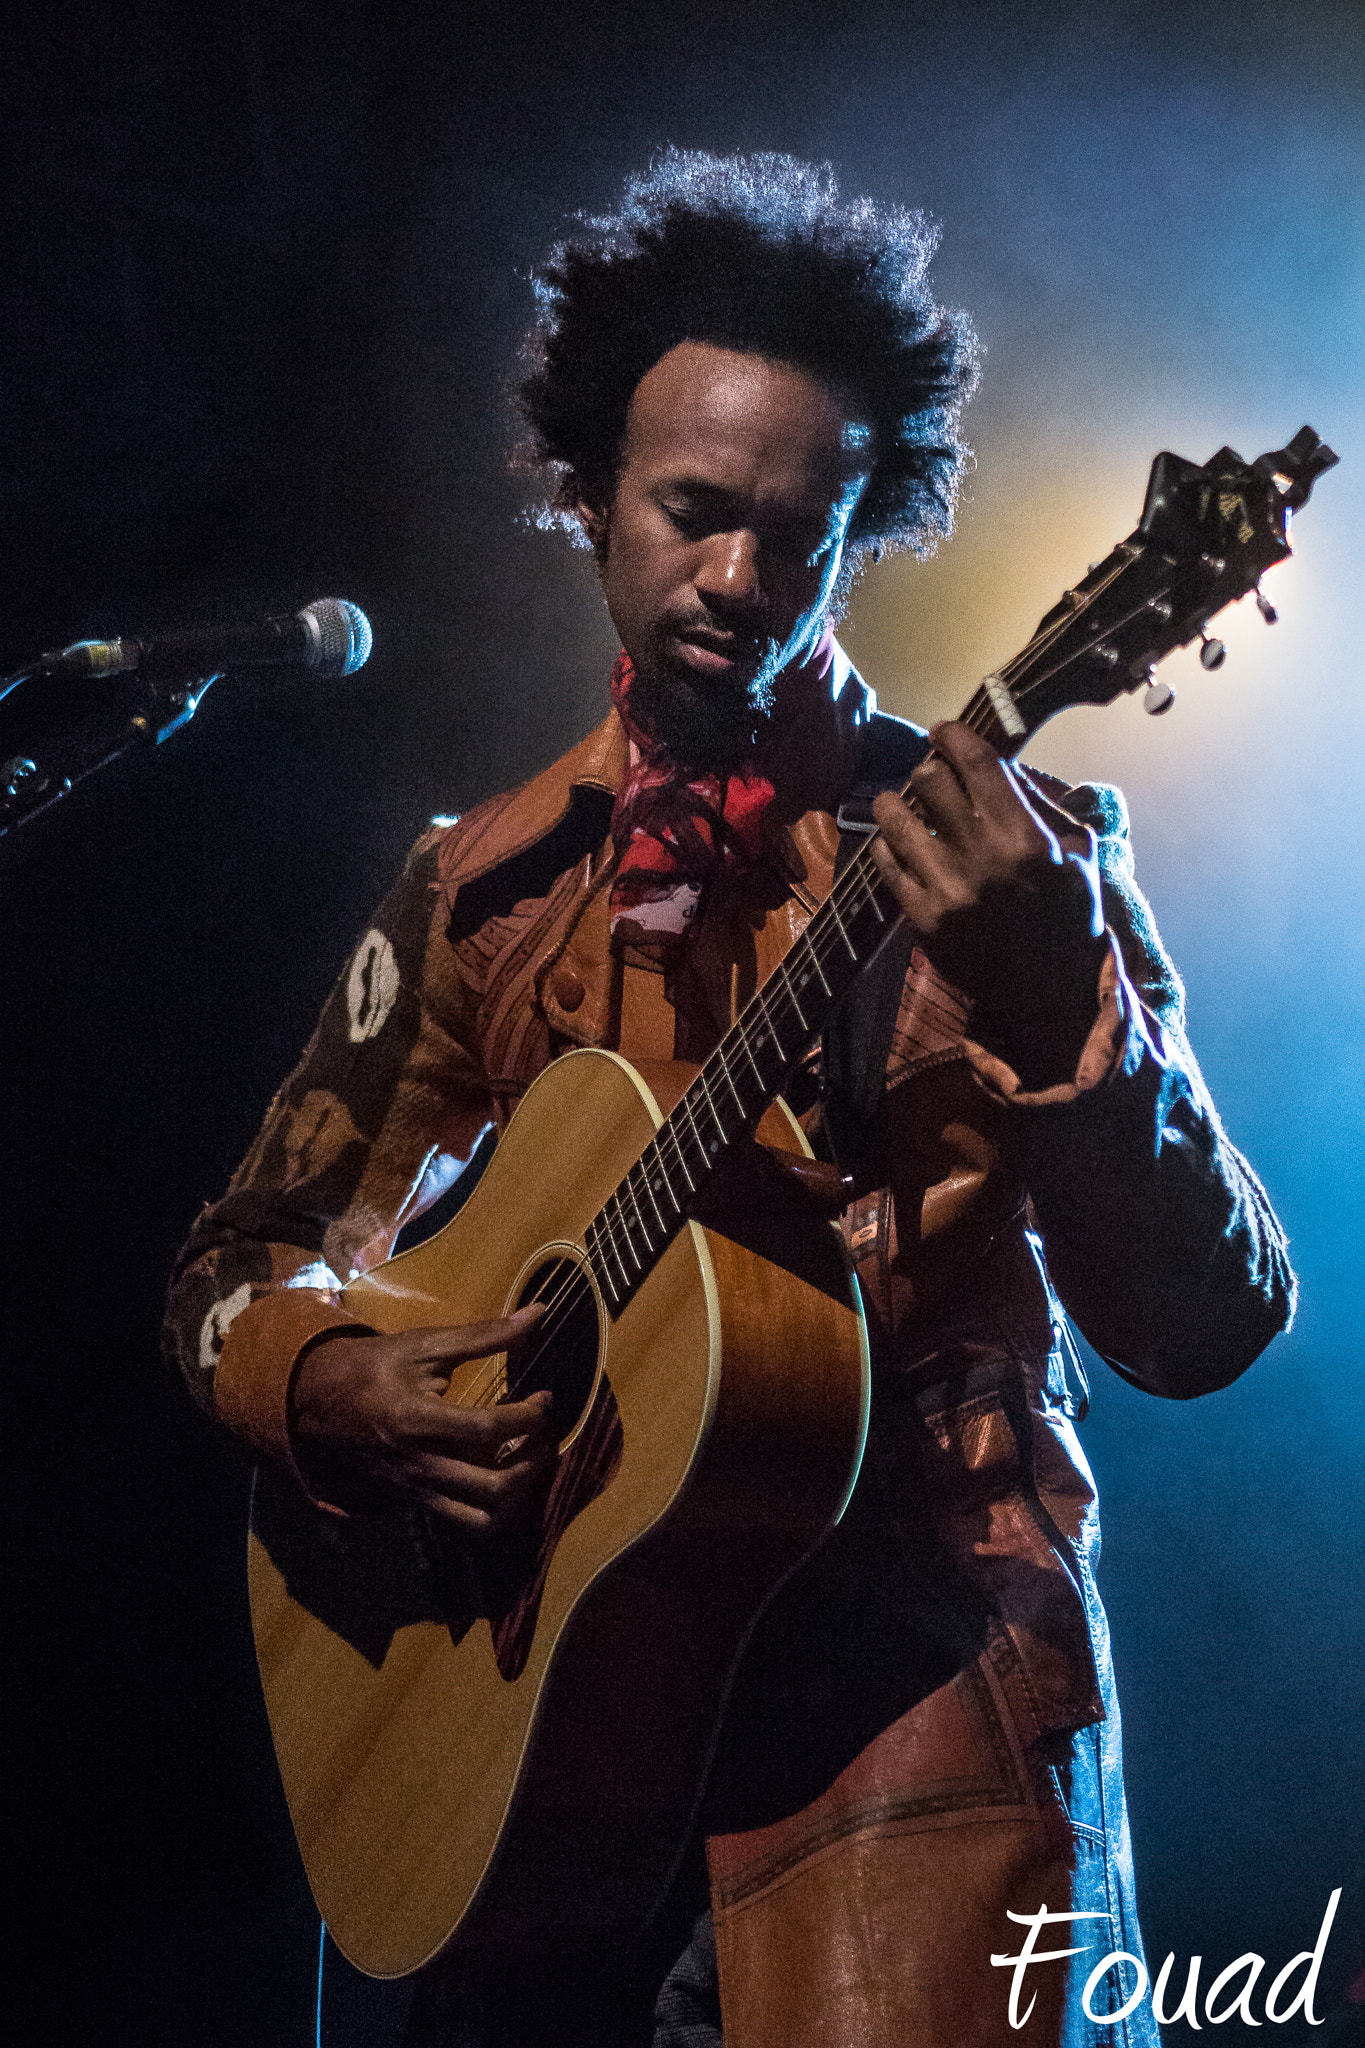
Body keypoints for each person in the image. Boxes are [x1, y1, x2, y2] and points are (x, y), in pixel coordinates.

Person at [164, 151, 1294, 2047]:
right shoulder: (483, 890)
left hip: (904, 1734)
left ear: (866, 532)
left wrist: (1056, 994)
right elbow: (242, 1258)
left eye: (800, 532)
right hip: (519, 1758)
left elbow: (1208, 1323)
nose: (740, 577)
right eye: (692, 512)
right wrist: (328, 1386)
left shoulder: (1023, 861)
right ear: (586, 492)